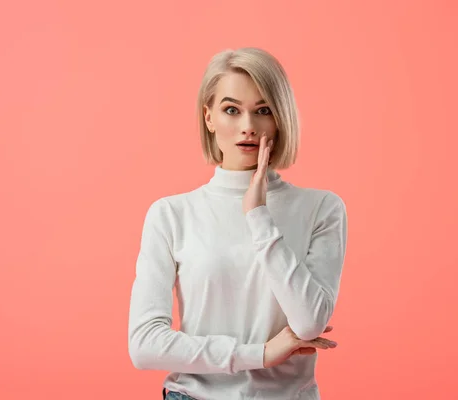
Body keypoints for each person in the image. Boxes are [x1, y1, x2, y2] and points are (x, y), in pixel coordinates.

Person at [128, 47, 348, 400]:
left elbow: (309, 323)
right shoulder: (171, 214)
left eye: (263, 111)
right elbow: (144, 345)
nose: (247, 127)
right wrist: (258, 355)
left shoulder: (322, 208)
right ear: (209, 117)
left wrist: (258, 215)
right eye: (231, 110)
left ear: (280, 118)